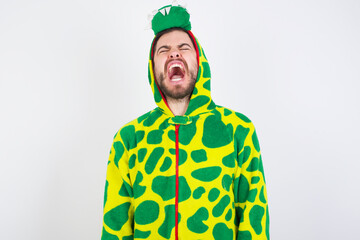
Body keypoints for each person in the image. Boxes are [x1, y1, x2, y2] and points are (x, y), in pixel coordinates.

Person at [101, 4, 269, 240]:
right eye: (163, 50)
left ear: (200, 61)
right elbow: (115, 229)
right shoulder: (128, 139)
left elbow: (254, 224)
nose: (174, 53)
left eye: (183, 47)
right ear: (153, 67)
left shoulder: (238, 130)